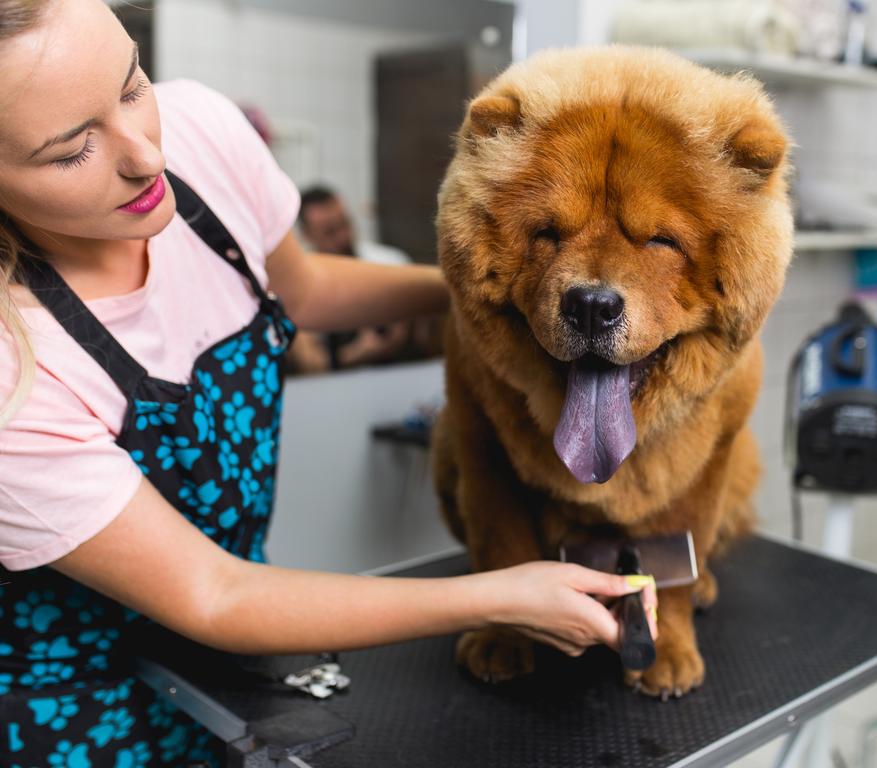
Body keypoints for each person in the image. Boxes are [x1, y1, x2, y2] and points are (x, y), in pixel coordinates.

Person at [0, 2, 658, 766]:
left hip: (236, 667)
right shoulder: (16, 372)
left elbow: (306, 290)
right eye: (73, 150)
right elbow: (214, 594)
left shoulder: (202, 133)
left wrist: (506, 292)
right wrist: (501, 595)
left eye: (130, 84)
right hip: (74, 709)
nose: (145, 154)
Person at [291, 185, 423, 371]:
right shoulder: (302, 286)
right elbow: (310, 364)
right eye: (330, 231)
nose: (343, 237)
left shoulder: (391, 264)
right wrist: (358, 353)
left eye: (345, 224)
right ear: (307, 236)